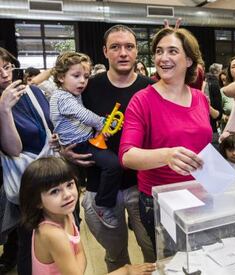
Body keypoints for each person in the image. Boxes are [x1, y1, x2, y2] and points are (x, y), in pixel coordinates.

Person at [62, 25, 155, 270]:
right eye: (115, 47)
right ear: (105, 52)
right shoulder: (86, 87)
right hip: (99, 185)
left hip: (142, 184)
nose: (123, 53)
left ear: (137, 52)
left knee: (153, 251)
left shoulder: (151, 88)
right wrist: (64, 151)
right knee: (115, 255)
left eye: (129, 47)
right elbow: (64, 123)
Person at [119, 27, 212, 249]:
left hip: (201, 194)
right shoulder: (142, 100)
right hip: (161, 200)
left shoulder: (200, 98)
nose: (163, 58)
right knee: (174, 261)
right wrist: (167, 155)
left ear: (189, 60)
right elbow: (127, 155)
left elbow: (203, 143)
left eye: (172, 51)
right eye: (159, 51)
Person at [19, 156, 156, 275]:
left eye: (70, 184)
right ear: (37, 201)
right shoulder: (53, 234)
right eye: (55, 191)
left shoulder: (65, 214)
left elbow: (79, 253)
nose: (67, 195)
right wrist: (125, 271)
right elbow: (78, 257)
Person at [0, 47, 58, 274]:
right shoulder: (4, 103)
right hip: (27, 185)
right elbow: (14, 149)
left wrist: (55, 138)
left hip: (51, 174)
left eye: (6, 67)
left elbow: (48, 126)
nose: (4, 74)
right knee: (31, 242)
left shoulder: (34, 92)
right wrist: (4, 109)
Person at [49, 52, 122, 229]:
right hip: (80, 145)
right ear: (60, 77)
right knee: (113, 165)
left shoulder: (71, 94)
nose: (82, 81)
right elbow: (83, 114)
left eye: (86, 77)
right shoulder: (62, 97)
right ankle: (102, 204)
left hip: (83, 141)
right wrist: (103, 123)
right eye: (76, 76)